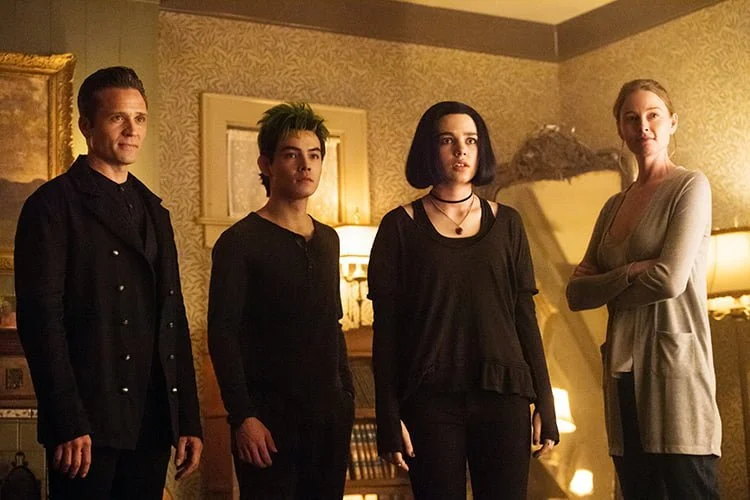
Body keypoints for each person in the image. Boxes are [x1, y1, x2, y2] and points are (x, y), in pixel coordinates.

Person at [14, 66, 203, 499]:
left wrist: (187, 419)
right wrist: (66, 420)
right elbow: (41, 321)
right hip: (85, 427)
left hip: (150, 421)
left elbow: (172, 317)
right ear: (86, 125)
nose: (132, 130)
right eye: (118, 117)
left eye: (140, 118)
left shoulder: (155, 211)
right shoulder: (51, 205)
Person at [368, 101, 559, 499]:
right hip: (429, 399)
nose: (461, 150)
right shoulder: (398, 227)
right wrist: (387, 415)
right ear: (429, 149)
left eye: (471, 140)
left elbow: (524, 317)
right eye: (447, 140)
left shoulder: (508, 223)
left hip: (504, 395)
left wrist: (545, 401)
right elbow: (386, 333)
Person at [566, 79, 721, 499]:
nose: (643, 126)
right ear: (620, 128)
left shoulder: (690, 186)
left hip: (675, 370)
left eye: (653, 115)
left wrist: (606, 286)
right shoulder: (612, 206)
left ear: (673, 123)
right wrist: (633, 270)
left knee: (689, 487)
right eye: (631, 118)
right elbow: (576, 295)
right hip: (621, 373)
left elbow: (669, 280)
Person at [207, 102, 355, 499]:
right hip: (267, 425)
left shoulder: (329, 240)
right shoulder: (239, 242)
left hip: (329, 421)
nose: (305, 166)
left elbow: (333, 324)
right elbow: (222, 335)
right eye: (292, 155)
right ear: (266, 164)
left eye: (315, 155)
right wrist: (243, 417)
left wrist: (346, 398)